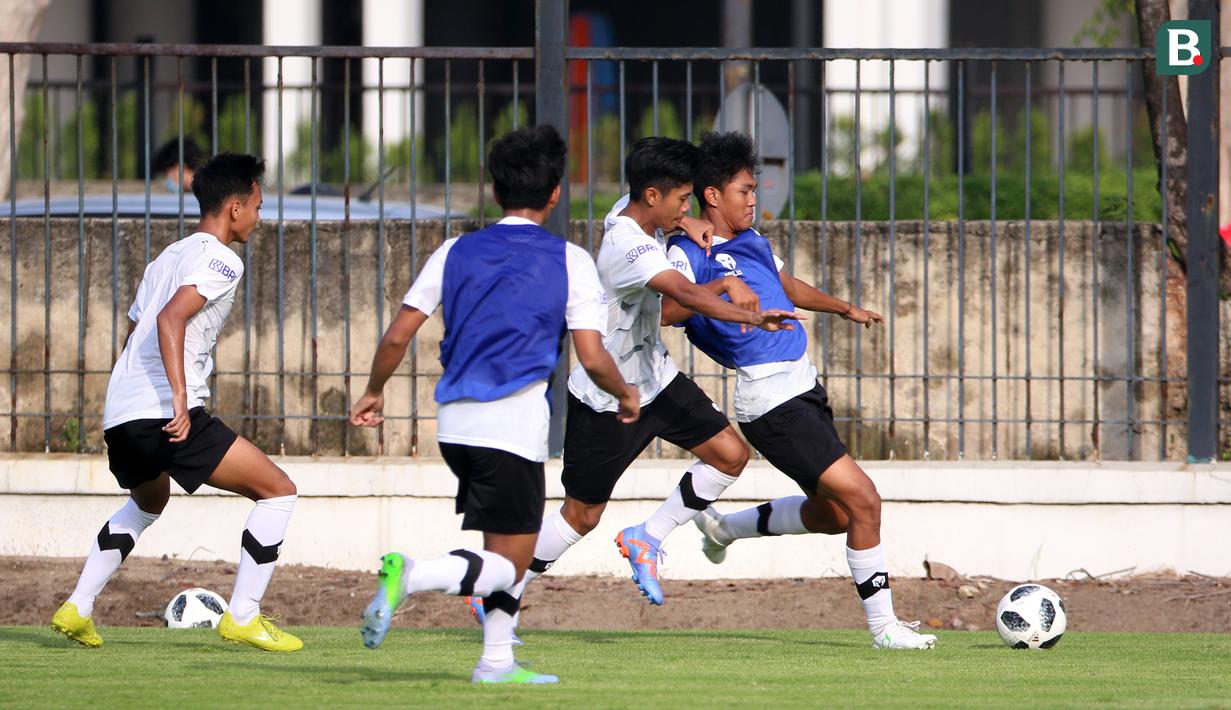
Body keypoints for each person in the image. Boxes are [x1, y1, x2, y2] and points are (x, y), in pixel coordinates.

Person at [348, 125, 639, 685]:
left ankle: (496, 661)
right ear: (555, 194)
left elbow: (396, 336)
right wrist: (626, 394)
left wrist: (374, 390)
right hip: (512, 423)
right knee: (512, 562)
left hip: (455, 422)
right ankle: (410, 575)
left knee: (500, 546)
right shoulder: (570, 260)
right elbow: (593, 356)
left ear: (495, 187)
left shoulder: (455, 250)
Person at [481, 136, 801, 643]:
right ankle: (499, 590)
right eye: (682, 199)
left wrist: (692, 224)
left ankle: (647, 538)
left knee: (729, 454)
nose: (688, 209)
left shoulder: (630, 212)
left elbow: (681, 232)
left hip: (655, 377)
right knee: (581, 515)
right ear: (653, 196)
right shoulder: (627, 247)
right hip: (608, 397)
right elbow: (682, 293)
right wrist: (750, 312)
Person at [670, 132, 936, 649]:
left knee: (836, 514)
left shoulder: (752, 241)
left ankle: (724, 530)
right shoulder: (687, 250)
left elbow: (785, 286)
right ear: (711, 196)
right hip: (769, 400)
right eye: (745, 190)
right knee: (864, 501)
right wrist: (715, 281)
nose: (754, 199)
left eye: (754, 190)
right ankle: (885, 629)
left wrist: (842, 307)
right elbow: (669, 309)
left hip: (802, 387)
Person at [51, 153, 303, 652]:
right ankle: (244, 616)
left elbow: (134, 333)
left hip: (122, 413)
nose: (259, 215)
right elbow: (170, 320)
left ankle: (77, 607)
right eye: (256, 204)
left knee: (150, 500)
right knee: (278, 491)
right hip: (165, 411)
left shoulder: (165, 258)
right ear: (234, 208)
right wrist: (182, 401)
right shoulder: (222, 258)